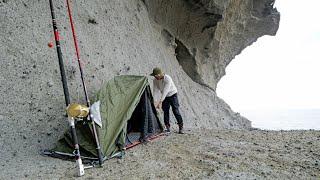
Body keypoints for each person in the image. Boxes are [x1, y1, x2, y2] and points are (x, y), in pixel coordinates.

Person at [150, 67, 184, 134]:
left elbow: (166, 91)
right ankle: (167, 128)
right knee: (165, 111)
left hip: (173, 94)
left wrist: (160, 102)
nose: (154, 77)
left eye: (155, 75)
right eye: (154, 76)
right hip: (165, 97)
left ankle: (181, 126)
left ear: (159, 74)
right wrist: (154, 101)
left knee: (175, 110)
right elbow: (155, 91)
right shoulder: (155, 80)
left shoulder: (168, 78)